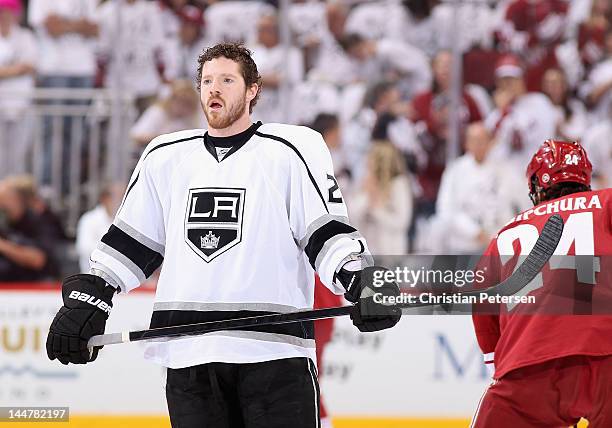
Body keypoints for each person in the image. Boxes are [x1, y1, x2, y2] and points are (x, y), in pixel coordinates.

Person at [46, 43, 401, 428]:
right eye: (207, 81)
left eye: (227, 80)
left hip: (271, 353)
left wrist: (363, 279)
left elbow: (326, 231)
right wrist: (90, 299)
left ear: (253, 90)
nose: (214, 88)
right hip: (188, 358)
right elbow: (130, 243)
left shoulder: (292, 149)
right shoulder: (164, 155)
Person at [471, 140, 612, 427]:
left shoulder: (507, 232)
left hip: (529, 365)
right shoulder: (607, 202)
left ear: (536, 185)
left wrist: (504, 365)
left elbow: (483, 305)